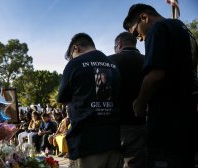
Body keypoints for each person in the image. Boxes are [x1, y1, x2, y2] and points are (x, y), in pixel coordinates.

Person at [123, 4, 198, 167]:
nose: (140, 39)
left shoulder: (157, 29)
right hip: (187, 122)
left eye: (136, 33)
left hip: (166, 125)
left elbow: (156, 75)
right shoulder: (182, 28)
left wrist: (140, 103)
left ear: (144, 17)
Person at [57, 33, 121, 167]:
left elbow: (62, 98)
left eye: (71, 55)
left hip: (86, 142)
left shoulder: (74, 64)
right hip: (114, 140)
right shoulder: (113, 65)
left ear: (76, 48)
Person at [109, 31, 146, 168]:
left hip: (113, 123)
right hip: (140, 121)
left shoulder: (109, 61)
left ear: (119, 44)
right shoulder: (148, 59)